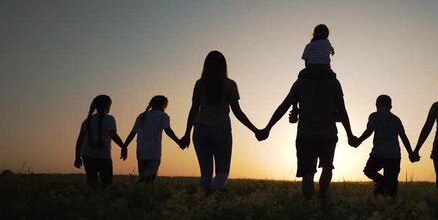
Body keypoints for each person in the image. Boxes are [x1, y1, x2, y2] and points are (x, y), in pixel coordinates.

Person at [257, 70, 357, 200]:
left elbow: (284, 106)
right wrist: (350, 134)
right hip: (328, 134)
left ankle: (310, 204)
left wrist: (267, 128)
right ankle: (321, 200)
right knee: (327, 167)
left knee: (307, 173)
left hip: (306, 135)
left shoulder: (300, 83)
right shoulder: (334, 83)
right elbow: (342, 110)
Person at [181, 51, 260, 194]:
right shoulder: (229, 84)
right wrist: (255, 130)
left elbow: (193, 110)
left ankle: (202, 202)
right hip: (221, 130)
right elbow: (237, 112)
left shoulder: (199, 84)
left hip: (200, 130)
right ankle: (211, 197)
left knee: (205, 174)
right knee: (222, 173)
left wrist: (187, 133)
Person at [353, 95, 418, 197]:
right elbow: (403, 137)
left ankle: (381, 183)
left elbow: (369, 130)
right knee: (392, 183)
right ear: (390, 106)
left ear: (376, 105)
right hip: (394, 154)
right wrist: (411, 153)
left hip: (378, 153)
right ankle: (390, 199)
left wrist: (358, 141)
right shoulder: (396, 119)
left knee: (369, 171)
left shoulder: (374, 116)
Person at [121, 95, 183, 183]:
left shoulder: (142, 116)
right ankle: (146, 194)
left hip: (141, 151)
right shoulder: (162, 115)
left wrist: (124, 146)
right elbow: (168, 130)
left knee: (142, 177)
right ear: (163, 105)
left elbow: (132, 133)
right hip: (153, 151)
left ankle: (139, 193)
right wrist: (179, 142)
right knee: (150, 179)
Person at [74, 94, 126, 188]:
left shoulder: (87, 121)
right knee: (106, 183)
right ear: (107, 106)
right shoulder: (109, 119)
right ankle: (102, 200)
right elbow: (113, 135)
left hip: (87, 155)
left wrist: (77, 157)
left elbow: (79, 140)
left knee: (91, 182)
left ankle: (92, 200)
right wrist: (123, 147)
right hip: (103, 156)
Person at [289, 24, 336, 123]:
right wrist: (332, 51)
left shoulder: (308, 45)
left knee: (299, 80)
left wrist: (310, 70)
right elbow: (330, 49)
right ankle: (336, 108)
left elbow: (306, 62)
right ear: (327, 34)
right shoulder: (326, 42)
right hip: (325, 70)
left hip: (310, 70)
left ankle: (294, 108)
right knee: (334, 81)